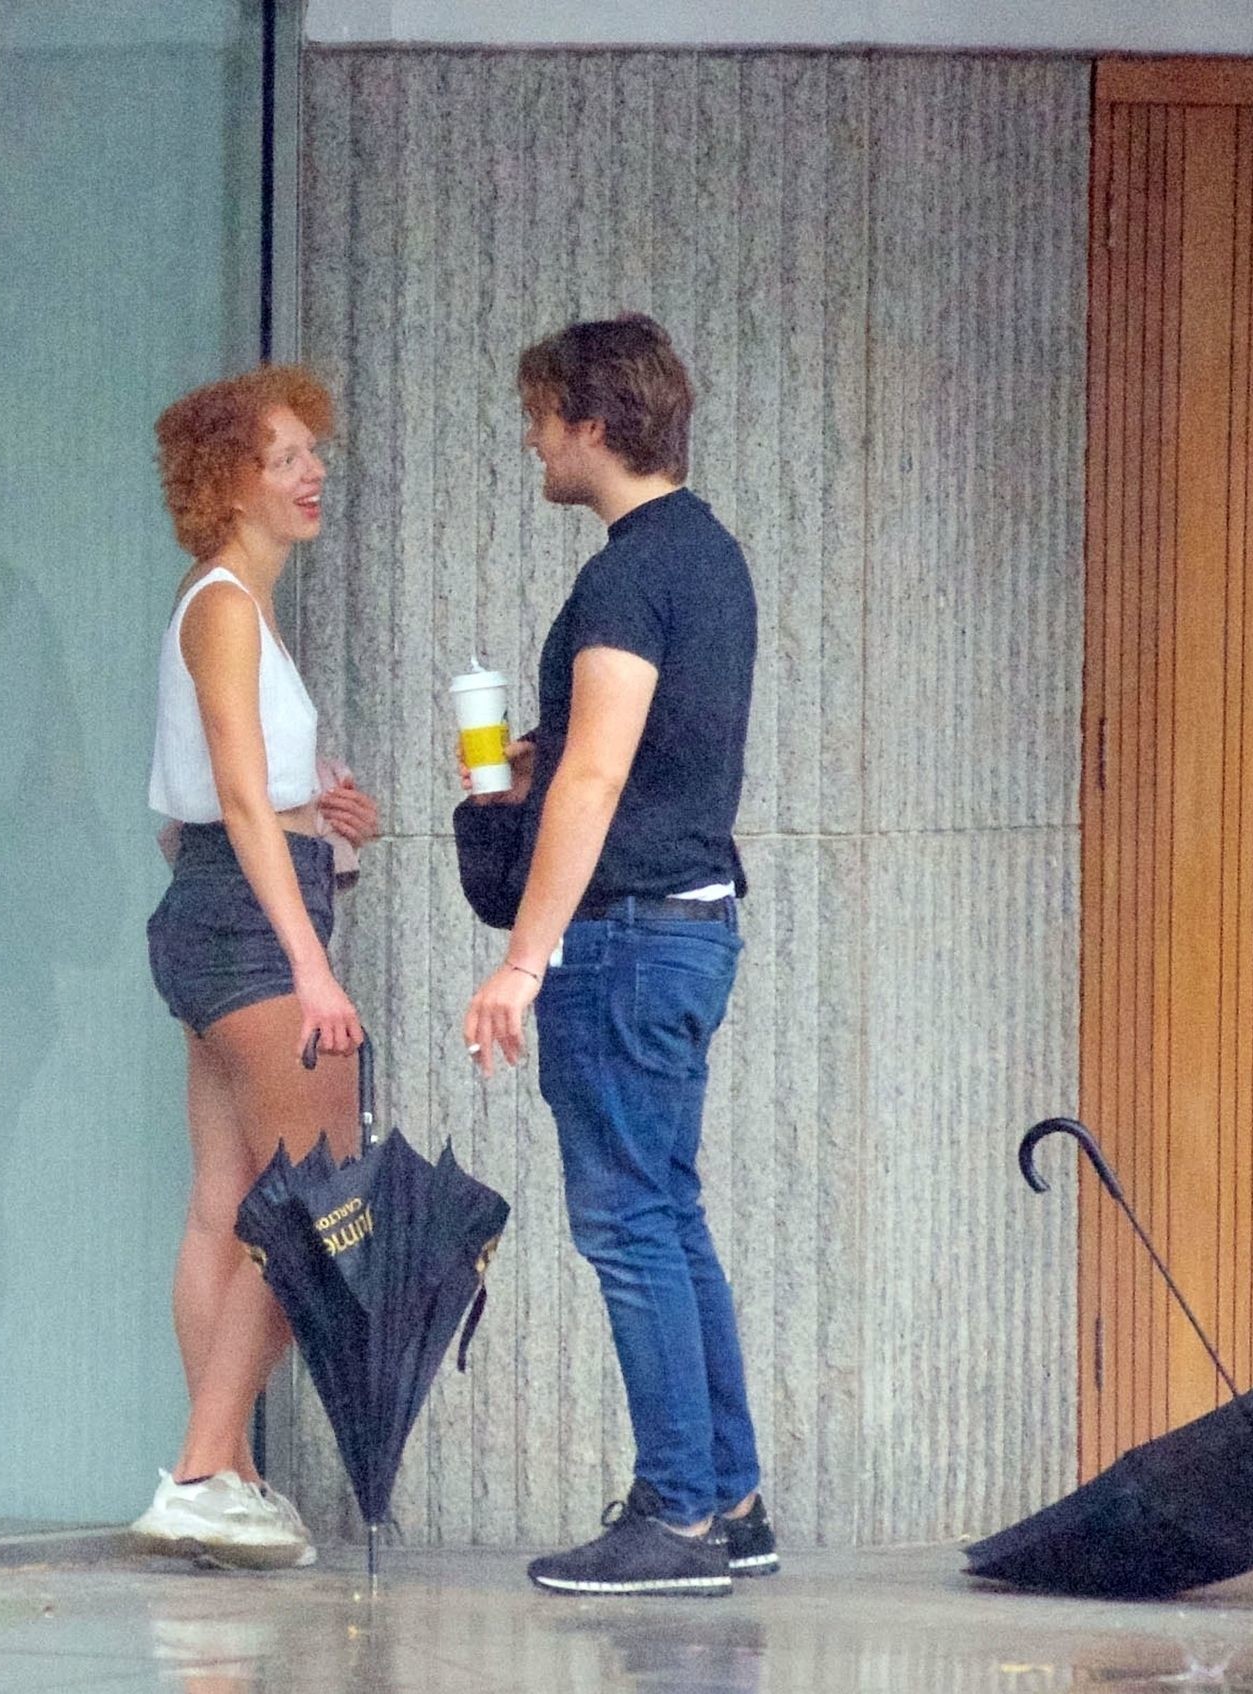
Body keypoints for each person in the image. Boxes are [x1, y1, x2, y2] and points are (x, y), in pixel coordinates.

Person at [463, 315, 776, 1596]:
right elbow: (640, 751)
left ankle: (679, 1513)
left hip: (627, 938)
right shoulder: (712, 555)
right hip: (692, 926)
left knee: (629, 1221)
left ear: (594, 424)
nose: (533, 440)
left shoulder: (624, 578)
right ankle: (731, 1498)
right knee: (668, 1212)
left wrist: (522, 960)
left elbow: (594, 777)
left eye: (543, 417)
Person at [131, 365, 379, 1569]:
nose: (311, 472)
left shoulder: (228, 605)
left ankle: (220, 1475)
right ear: (230, 481)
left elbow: (205, 814)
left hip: (215, 911)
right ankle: (200, 1469)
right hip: (250, 927)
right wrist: (310, 961)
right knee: (318, 1202)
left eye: (312, 451)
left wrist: (323, 824)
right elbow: (233, 800)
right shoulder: (226, 606)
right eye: (285, 457)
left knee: (229, 1204)